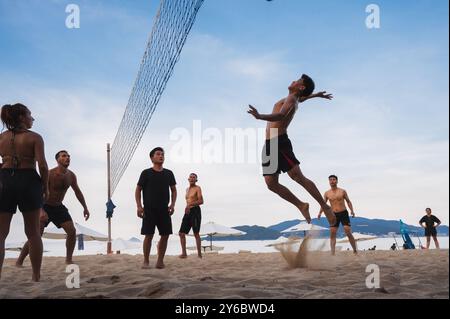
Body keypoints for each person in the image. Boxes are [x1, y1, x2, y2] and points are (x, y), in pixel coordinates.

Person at [247, 74, 336, 226]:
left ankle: (324, 206)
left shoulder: (291, 100)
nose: (293, 81)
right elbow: (302, 98)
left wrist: (259, 116)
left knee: (297, 177)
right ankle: (301, 205)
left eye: (297, 81)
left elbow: (281, 114)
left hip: (279, 142)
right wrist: (315, 95)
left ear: (300, 87)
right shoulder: (293, 98)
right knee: (271, 184)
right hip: (269, 144)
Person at [0, 103, 49, 281]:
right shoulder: (35, 137)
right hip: (28, 180)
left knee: (1, 234)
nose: (32, 118)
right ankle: (36, 276)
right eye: (30, 115)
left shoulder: (1, 138)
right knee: (34, 233)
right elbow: (43, 165)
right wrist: (46, 187)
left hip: (5, 179)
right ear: (21, 117)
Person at [16, 150, 90, 266]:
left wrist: (85, 207)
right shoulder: (49, 174)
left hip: (58, 207)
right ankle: (19, 261)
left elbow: (78, 192)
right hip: (44, 205)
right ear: (58, 160)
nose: (67, 158)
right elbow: (38, 192)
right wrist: (41, 210)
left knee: (72, 231)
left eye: (68, 156)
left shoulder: (71, 176)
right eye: (64, 156)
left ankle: (68, 260)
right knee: (36, 235)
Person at [135, 147, 177, 269]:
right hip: (149, 209)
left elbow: (174, 190)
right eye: (158, 154)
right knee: (149, 235)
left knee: (165, 235)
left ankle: (160, 261)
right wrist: (139, 206)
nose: (161, 156)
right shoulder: (146, 173)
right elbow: (138, 189)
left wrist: (173, 204)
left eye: (163, 154)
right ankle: (146, 261)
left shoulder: (169, 173)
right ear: (152, 158)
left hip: (164, 209)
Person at [318, 175, 357, 255]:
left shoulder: (342, 191)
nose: (332, 181)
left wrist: (352, 211)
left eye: (334, 179)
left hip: (343, 212)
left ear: (337, 181)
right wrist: (320, 212)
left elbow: (348, 201)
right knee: (332, 233)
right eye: (330, 180)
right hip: (333, 214)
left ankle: (355, 250)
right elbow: (323, 204)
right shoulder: (327, 193)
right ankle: (332, 253)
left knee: (347, 231)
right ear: (329, 182)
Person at [179, 173, 204, 259]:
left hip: (195, 211)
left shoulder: (198, 188)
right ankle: (184, 253)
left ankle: (199, 254)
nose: (192, 179)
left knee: (196, 233)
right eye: (191, 177)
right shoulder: (187, 189)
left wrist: (189, 205)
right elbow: (188, 201)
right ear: (188, 179)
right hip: (188, 211)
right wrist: (188, 207)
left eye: (194, 178)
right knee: (181, 233)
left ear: (196, 180)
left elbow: (201, 201)